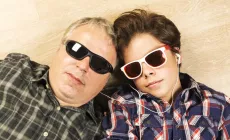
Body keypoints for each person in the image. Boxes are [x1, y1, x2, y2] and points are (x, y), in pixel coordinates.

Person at [102, 9, 230, 139]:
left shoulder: (218, 105)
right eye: (134, 68)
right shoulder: (124, 105)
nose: (147, 72)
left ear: (177, 54)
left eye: (154, 58)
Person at [0, 17, 117, 140]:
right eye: (76, 49)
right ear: (59, 48)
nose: (83, 66)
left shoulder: (102, 133)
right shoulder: (13, 69)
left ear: (106, 80)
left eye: (100, 65)